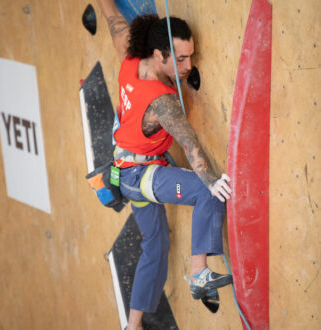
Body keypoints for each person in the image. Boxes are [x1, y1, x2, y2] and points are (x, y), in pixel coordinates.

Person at [97, 1, 233, 329]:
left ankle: (133, 324)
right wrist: (213, 182)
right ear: (160, 55)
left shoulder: (129, 56)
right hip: (141, 173)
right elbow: (190, 144)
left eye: (191, 56)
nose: (188, 66)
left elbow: (113, 18)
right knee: (205, 189)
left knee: (155, 246)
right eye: (181, 58)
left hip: (123, 170)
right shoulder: (163, 101)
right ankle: (199, 272)